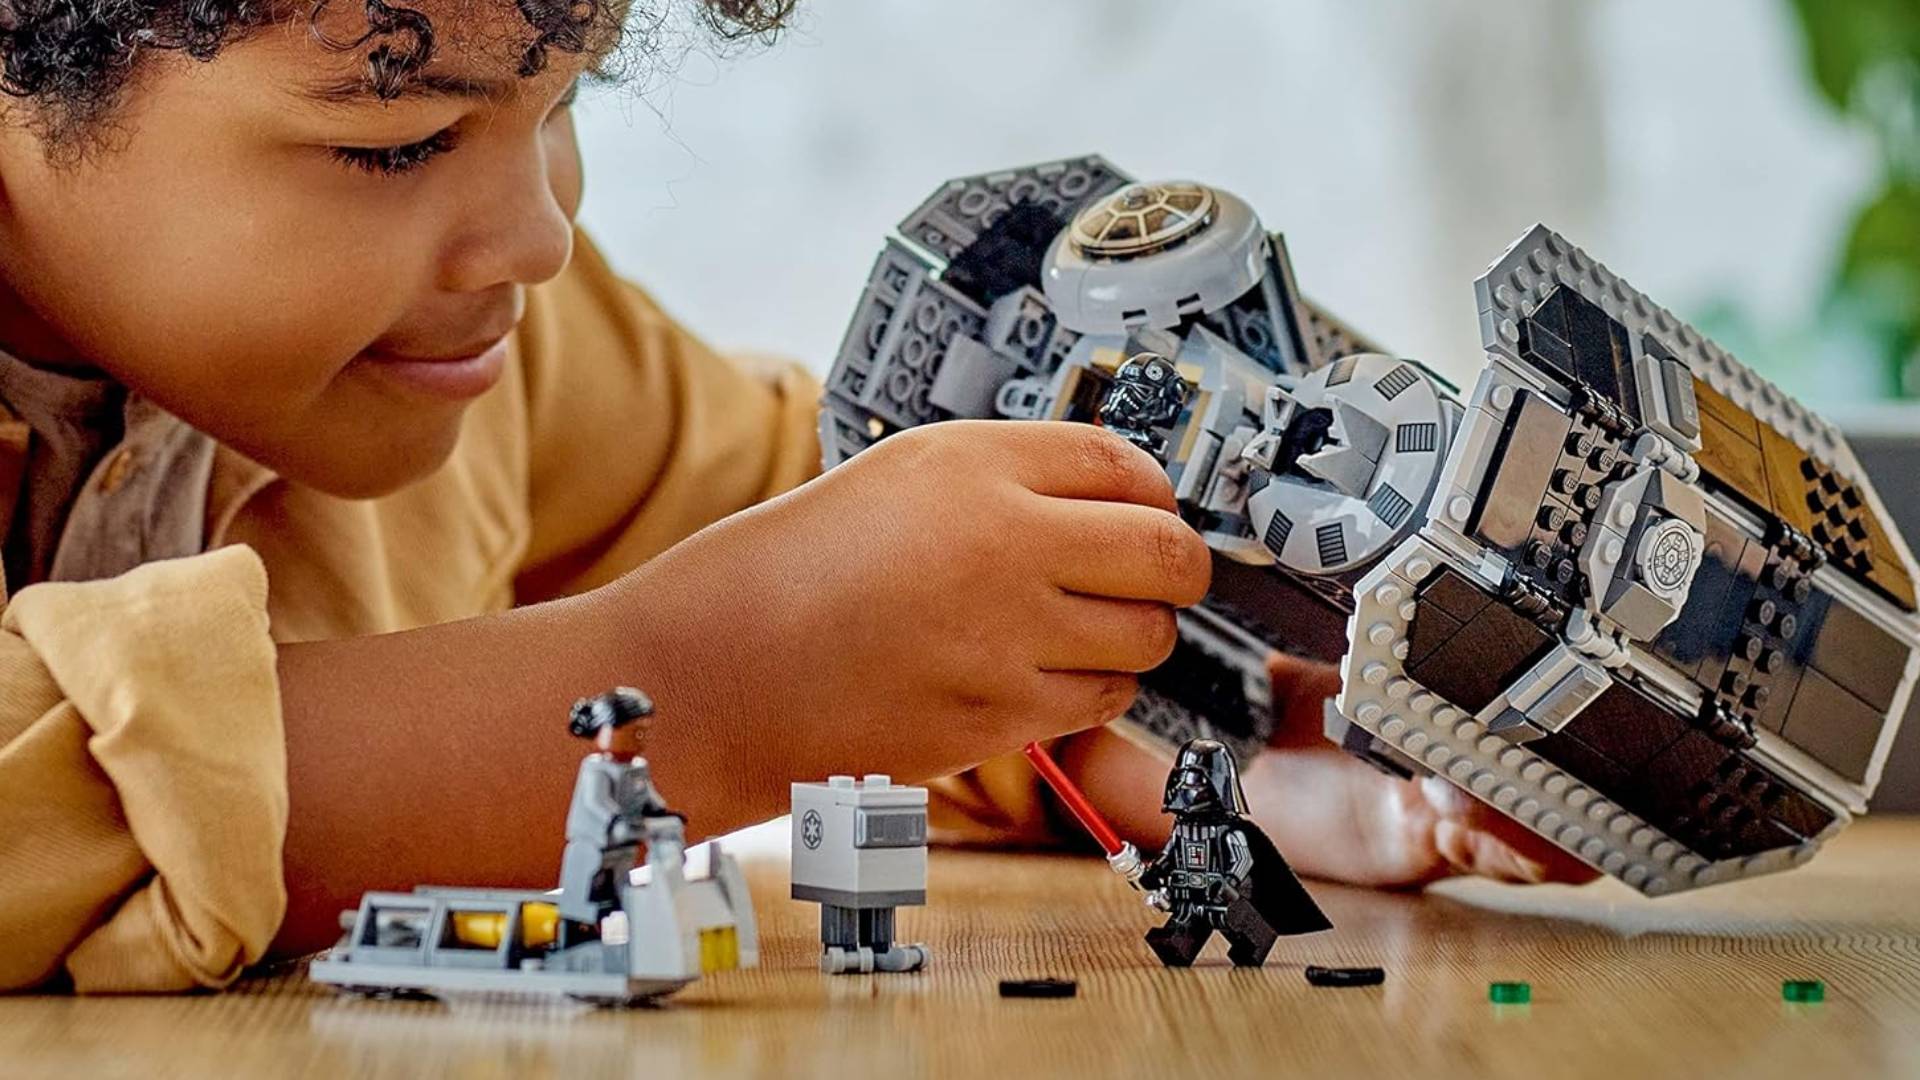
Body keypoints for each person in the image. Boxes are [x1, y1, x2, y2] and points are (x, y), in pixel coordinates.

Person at [0, 0, 1591, 993]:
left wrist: (1235, 731)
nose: (540, 233)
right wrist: (712, 685)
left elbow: (841, 555)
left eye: (564, 105)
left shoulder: (501, 361)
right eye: (395, 144)